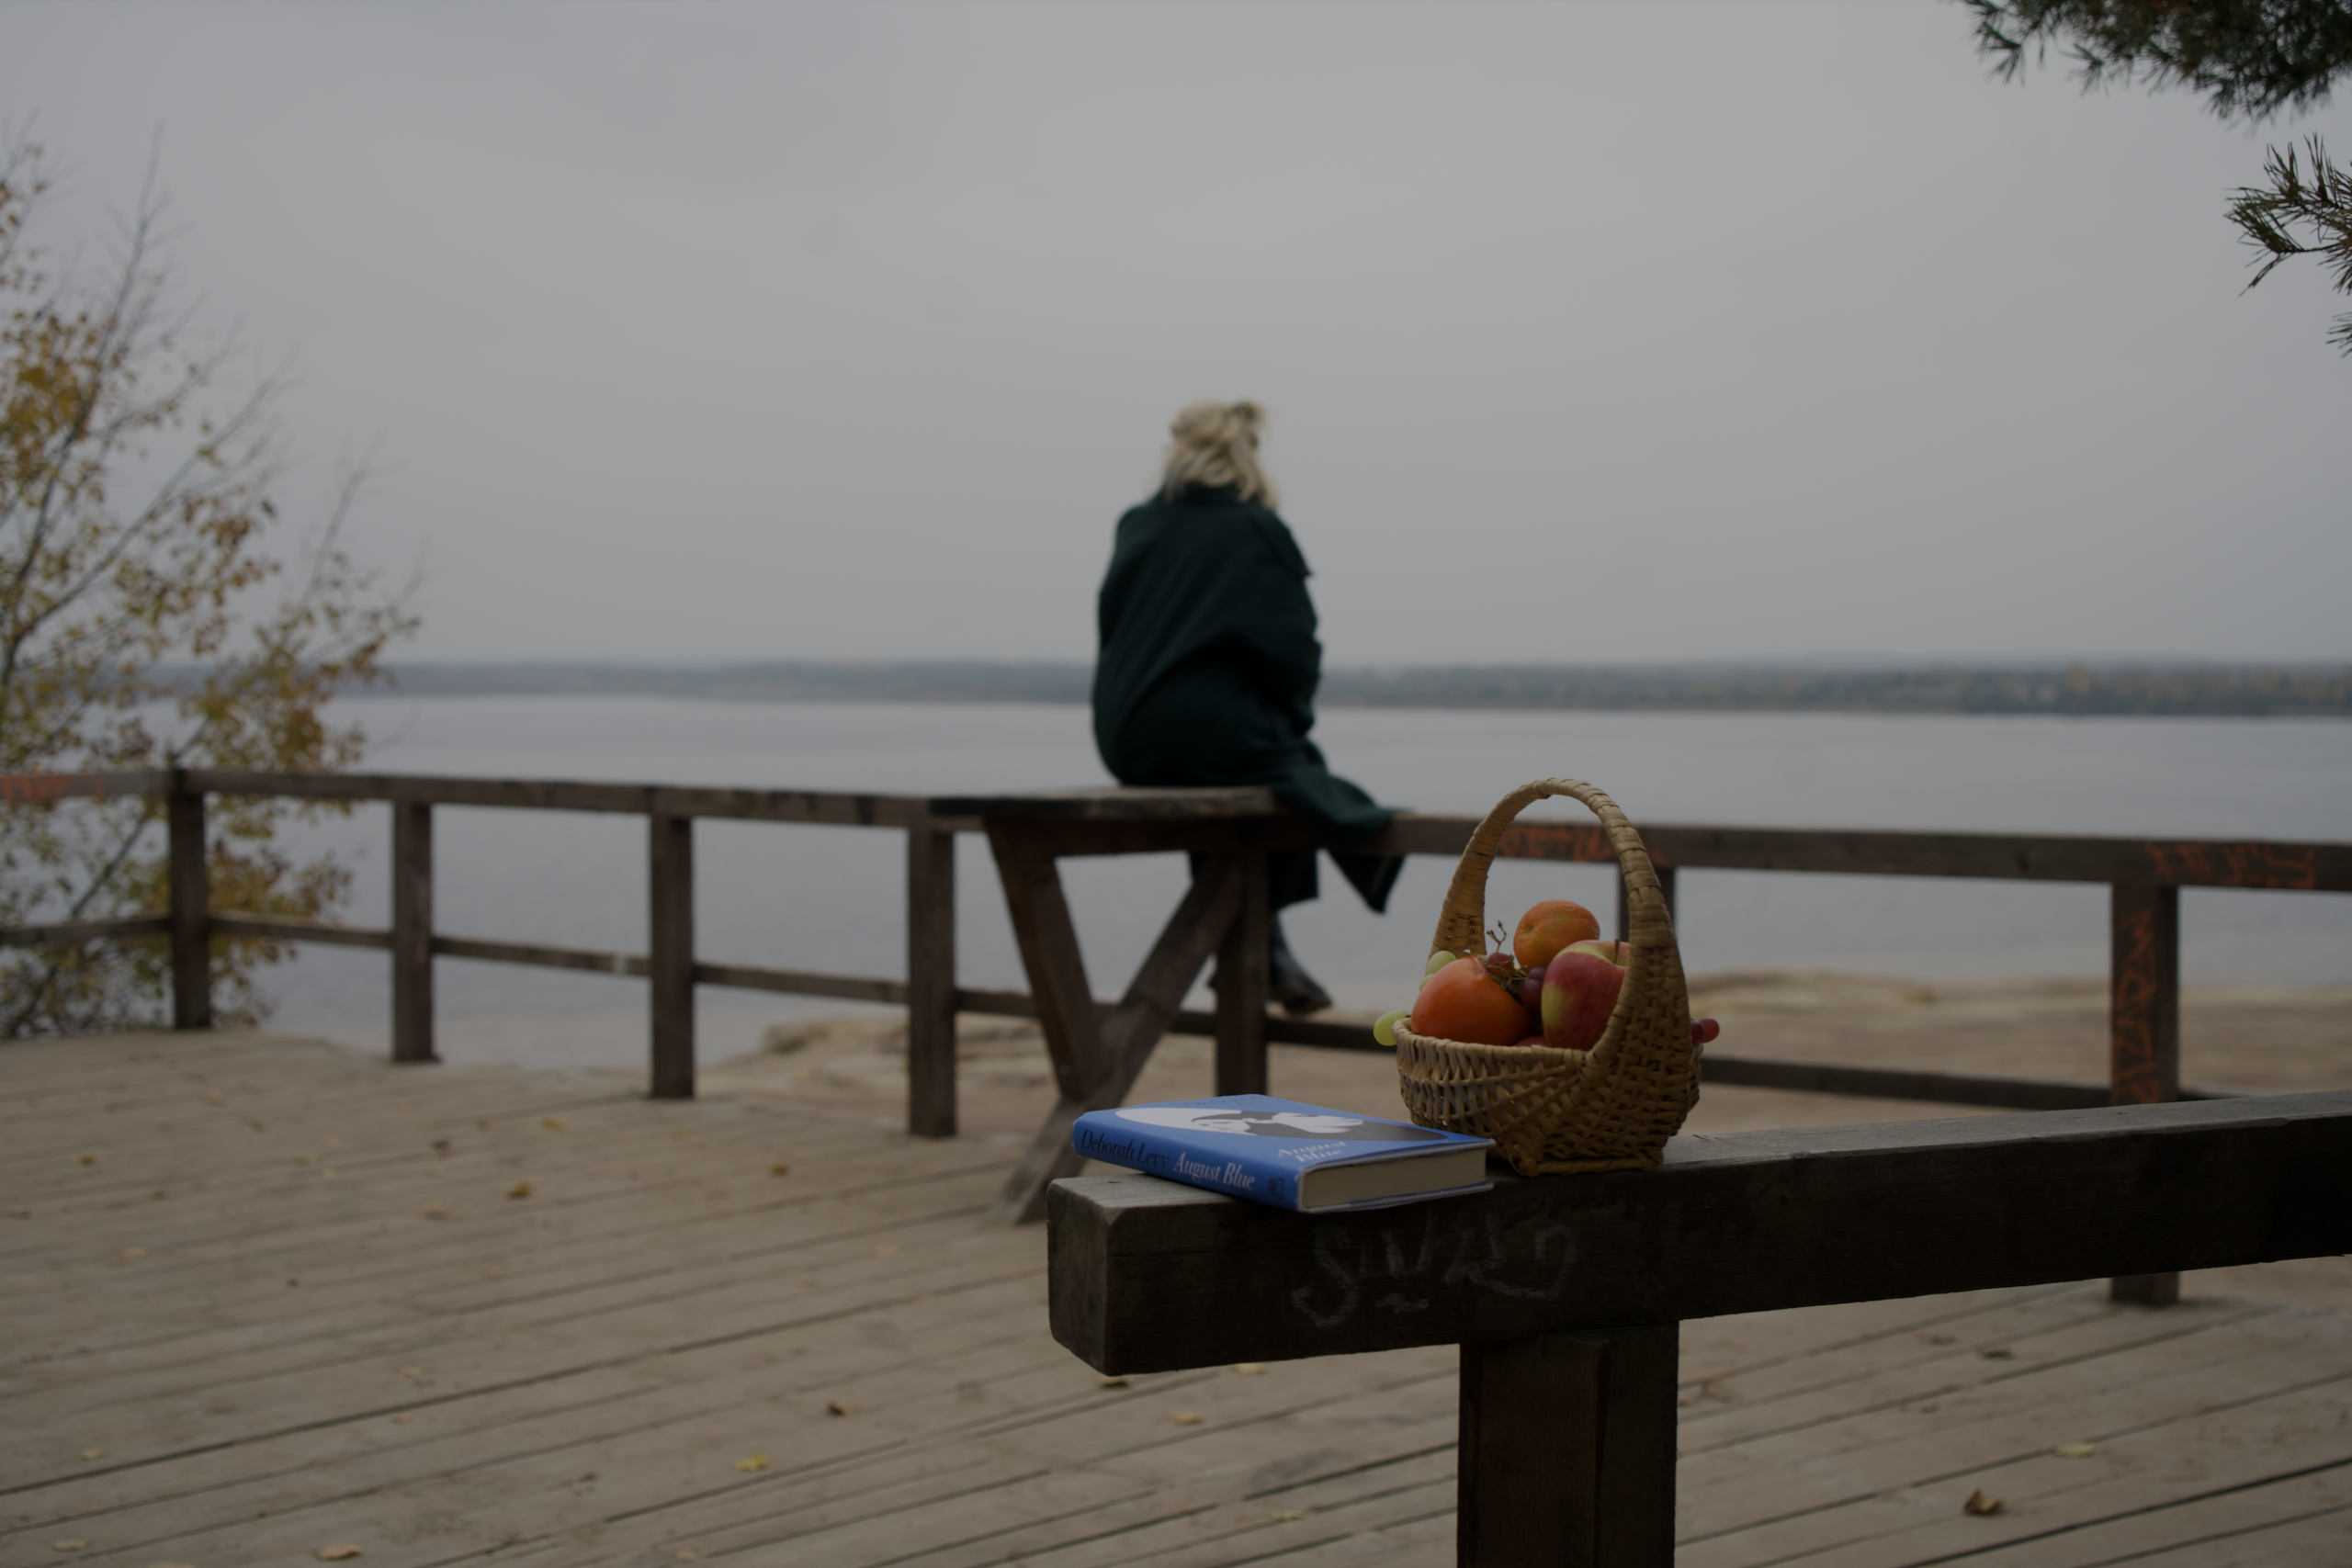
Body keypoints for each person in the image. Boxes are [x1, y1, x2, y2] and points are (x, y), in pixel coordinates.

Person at [1091, 400, 1403, 1015]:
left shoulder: (1137, 523)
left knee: (1264, 766)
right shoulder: (1254, 528)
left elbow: (1116, 628)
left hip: (1125, 736)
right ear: (1246, 455)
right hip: (1206, 728)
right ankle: (1285, 927)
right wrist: (1290, 717)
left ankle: (1270, 944)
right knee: (1289, 764)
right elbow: (1292, 650)